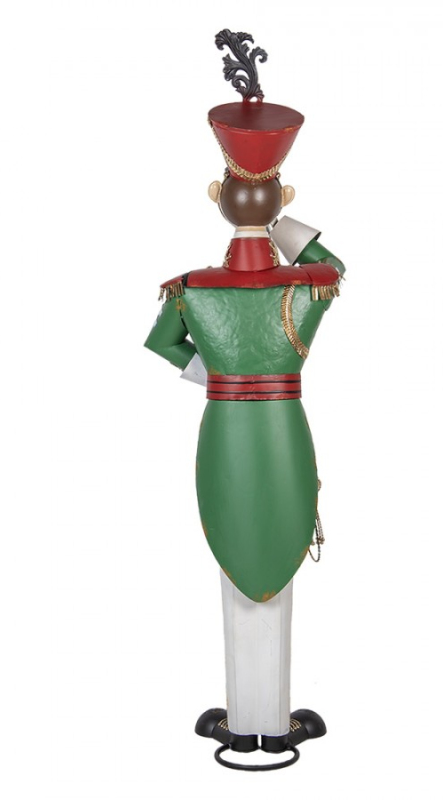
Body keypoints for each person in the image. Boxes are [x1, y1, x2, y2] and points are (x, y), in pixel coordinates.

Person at [144, 30, 344, 770]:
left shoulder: (191, 288)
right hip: (283, 426)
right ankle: (274, 721)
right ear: (281, 196)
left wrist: (218, 377)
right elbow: (334, 266)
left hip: (226, 428)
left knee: (238, 553)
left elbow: (163, 345)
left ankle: (243, 720)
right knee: (277, 549)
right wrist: (287, 226)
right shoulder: (305, 286)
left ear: (216, 197)